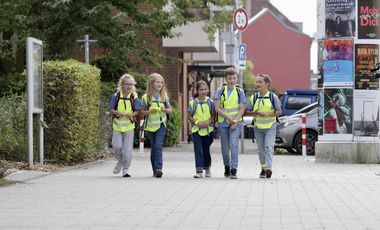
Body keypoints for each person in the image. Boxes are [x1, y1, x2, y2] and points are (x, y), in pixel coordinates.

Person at [245, 74, 281, 179]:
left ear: (267, 84)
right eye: (257, 82)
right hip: (258, 127)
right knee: (261, 150)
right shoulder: (254, 97)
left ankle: (269, 168)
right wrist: (255, 112)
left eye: (260, 82)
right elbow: (246, 112)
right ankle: (263, 169)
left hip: (270, 126)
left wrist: (268, 114)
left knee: (269, 147)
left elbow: (279, 111)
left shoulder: (272, 97)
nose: (258, 84)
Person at [214, 67, 246, 179]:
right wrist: (229, 119)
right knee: (225, 147)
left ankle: (234, 170)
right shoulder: (220, 91)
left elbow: (242, 108)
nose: (232, 80)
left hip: (236, 123)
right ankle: (226, 166)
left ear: (236, 78)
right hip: (223, 122)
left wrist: (235, 121)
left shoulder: (240, 91)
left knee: (234, 145)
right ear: (225, 79)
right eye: (229, 78)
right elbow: (217, 108)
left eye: (234, 78)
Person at [140, 73, 172, 178]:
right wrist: (150, 111)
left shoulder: (164, 96)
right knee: (154, 148)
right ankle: (155, 170)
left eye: (161, 82)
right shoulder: (146, 98)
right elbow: (141, 113)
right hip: (150, 125)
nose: (160, 84)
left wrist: (164, 109)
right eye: (157, 82)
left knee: (158, 145)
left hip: (161, 124)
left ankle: (159, 168)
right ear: (151, 84)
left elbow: (170, 110)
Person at [109, 74, 141, 177]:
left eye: (131, 84)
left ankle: (125, 170)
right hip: (117, 125)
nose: (129, 86)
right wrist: (117, 112)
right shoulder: (116, 95)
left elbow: (137, 111)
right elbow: (111, 109)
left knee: (127, 150)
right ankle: (120, 162)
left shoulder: (134, 97)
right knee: (116, 147)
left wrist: (132, 114)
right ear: (122, 84)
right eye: (127, 84)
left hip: (129, 126)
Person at [188, 81, 215, 178]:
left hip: (208, 131)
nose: (203, 91)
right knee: (198, 150)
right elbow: (189, 116)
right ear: (197, 91)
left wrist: (208, 122)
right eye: (201, 90)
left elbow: (213, 115)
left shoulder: (210, 102)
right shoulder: (192, 103)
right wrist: (197, 123)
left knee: (206, 150)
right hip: (197, 131)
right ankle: (199, 171)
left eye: (205, 89)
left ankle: (207, 167)